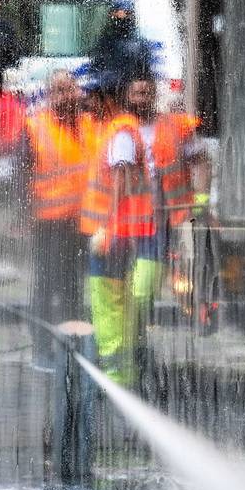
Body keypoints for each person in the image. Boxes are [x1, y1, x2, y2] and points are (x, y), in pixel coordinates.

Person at [81, 67, 209, 387]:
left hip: (158, 225)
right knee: (115, 294)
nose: (142, 98)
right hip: (121, 227)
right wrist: (108, 226)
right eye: (137, 93)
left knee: (141, 292)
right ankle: (123, 363)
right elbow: (120, 179)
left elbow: (202, 161)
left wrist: (201, 203)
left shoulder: (174, 127)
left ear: (155, 94)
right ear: (127, 96)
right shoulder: (123, 130)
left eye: (147, 92)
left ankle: (130, 353)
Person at [21, 70, 96, 371]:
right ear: (50, 95)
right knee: (47, 286)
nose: (65, 96)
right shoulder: (36, 126)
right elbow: (21, 174)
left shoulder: (89, 124)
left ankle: (70, 347)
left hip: (82, 222)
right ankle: (41, 348)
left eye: (70, 90)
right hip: (48, 221)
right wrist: (22, 214)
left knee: (73, 289)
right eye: (59, 91)